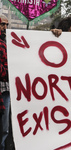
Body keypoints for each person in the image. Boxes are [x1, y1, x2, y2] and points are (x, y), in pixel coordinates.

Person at [0, 14, 12, 150]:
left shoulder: (6, 43)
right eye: (2, 24)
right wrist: (10, 73)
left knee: (5, 128)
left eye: (6, 25)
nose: (5, 27)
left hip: (7, 90)